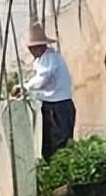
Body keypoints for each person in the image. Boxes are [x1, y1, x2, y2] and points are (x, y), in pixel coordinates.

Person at [12, 23, 77, 159]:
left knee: (59, 146)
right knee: (50, 146)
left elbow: (44, 77)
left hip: (58, 108)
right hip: (52, 107)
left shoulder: (50, 58)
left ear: (39, 46)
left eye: (32, 48)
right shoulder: (44, 59)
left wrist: (25, 87)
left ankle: (60, 174)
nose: (30, 51)